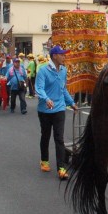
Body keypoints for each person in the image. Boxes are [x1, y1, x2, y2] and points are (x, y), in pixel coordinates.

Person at [36, 45, 79, 180]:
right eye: (62, 54)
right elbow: (39, 88)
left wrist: (71, 102)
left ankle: (61, 168)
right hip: (45, 109)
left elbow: (63, 89)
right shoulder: (43, 71)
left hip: (59, 108)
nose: (64, 57)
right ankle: (44, 161)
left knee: (59, 138)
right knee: (46, 135)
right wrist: (46, 99)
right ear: (54, 56)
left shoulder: (64, 71)